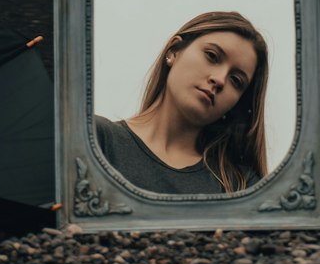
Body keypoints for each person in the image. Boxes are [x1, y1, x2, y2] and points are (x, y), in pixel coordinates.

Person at [94, 10, 268, 194]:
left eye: (236, 81)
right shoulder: (95, 141)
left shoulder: (241, 186)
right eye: (212, 56)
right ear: (174, 51)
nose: (220, 79)